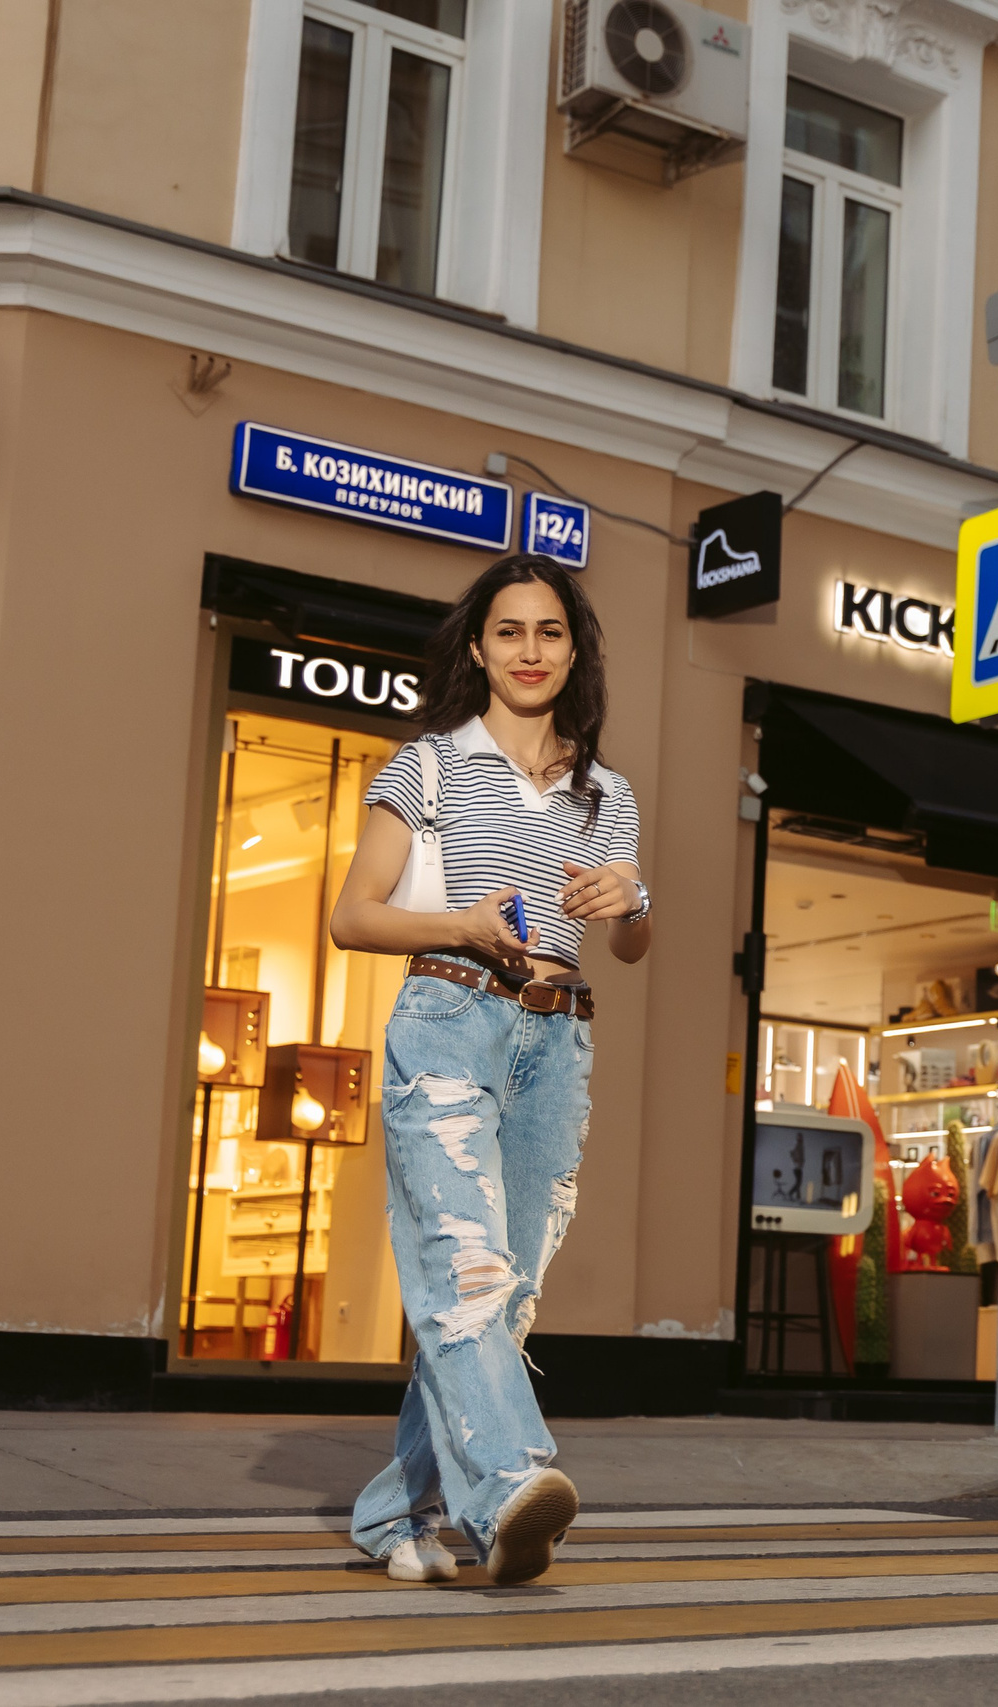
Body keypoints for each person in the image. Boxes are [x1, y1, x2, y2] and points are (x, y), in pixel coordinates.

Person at [328, 554, 651, 1586]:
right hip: (449, 1016)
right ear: (479, 648)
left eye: (549, 633)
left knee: (505, 1297)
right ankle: (513, 1480)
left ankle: (393, 1513)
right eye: (509, 632)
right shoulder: (426, 766)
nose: (529, 651)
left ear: (572, 651)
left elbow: (635, 945)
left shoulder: (610, 795)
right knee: (463, 1266)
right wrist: (462, 924)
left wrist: (629, 905)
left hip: (557, 1041)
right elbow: (351, 915)